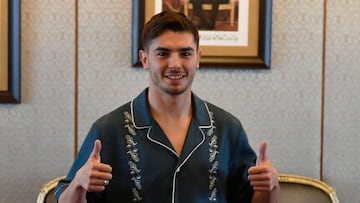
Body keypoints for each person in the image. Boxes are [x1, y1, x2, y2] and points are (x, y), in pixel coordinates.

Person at [54, 11, 279, 203]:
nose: (174, 64)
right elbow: (65, 198)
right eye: (162, 53)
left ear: (198, 58)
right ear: (145, 59)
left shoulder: (227, 128)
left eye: (185, 53)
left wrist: (269, 187)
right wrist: (79, 184)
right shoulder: (108, 130)